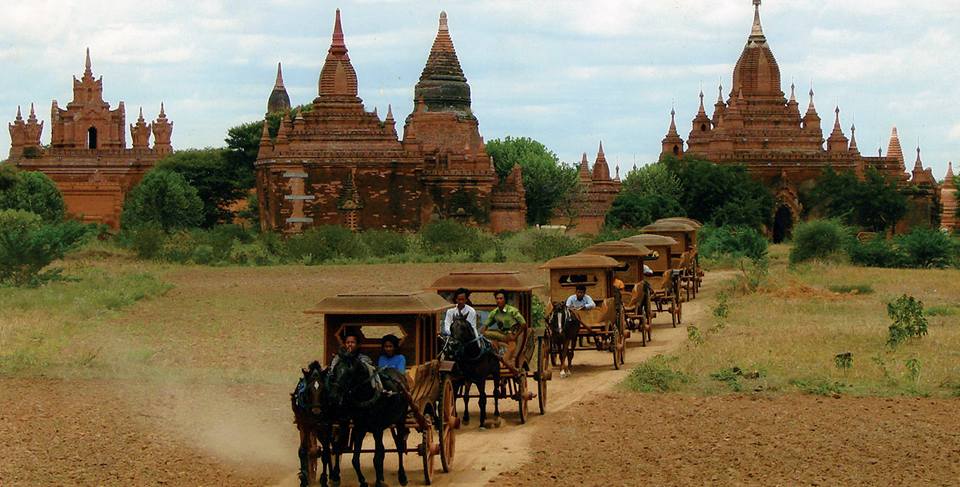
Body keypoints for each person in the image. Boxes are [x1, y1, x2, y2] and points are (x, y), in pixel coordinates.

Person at [482, 289, 526, 361]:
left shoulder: (512, 311)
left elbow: (523, 324)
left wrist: (515, 336)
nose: (499, 300)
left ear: (505, 300)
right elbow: (485, 326)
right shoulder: (494, 313)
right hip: (502, 335)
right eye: (497, 299)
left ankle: (511, 359)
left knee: (511, 347)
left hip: (513, 335)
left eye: (501, 298)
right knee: (486, 334)